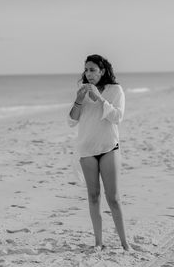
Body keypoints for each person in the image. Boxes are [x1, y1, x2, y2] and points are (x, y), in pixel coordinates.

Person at [67, 54, 130, 251]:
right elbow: (71, 121)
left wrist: (99, 98)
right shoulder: (82, 92)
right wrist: (79, 99)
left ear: (102, 71)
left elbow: (117, 117)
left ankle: (125, 243)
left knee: (113, 198)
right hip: (86, 149)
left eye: (93, 69)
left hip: (109, 147)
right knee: (93, 196)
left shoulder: (115, 90)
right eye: (86, 70)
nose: (88, 73)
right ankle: (98, 242)